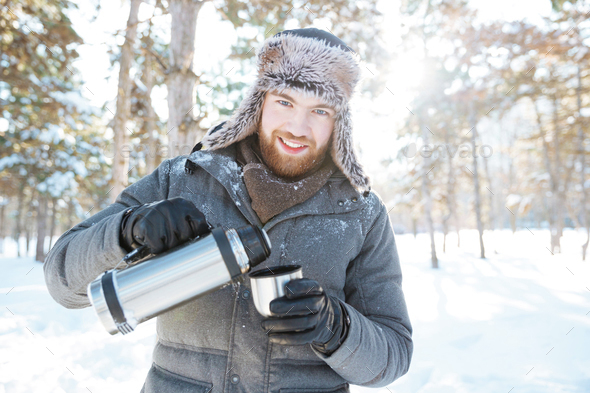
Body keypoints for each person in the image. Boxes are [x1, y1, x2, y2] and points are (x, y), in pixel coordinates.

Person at [44, 27, 413, 393]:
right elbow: (63, 282)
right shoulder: (181, 178)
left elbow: (394, 355)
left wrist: (337, 327)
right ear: (259, 102)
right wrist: (126, 230)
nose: (298, 127)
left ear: (339, 123)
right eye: (285, 101)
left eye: (320, 110)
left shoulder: (360, 212)